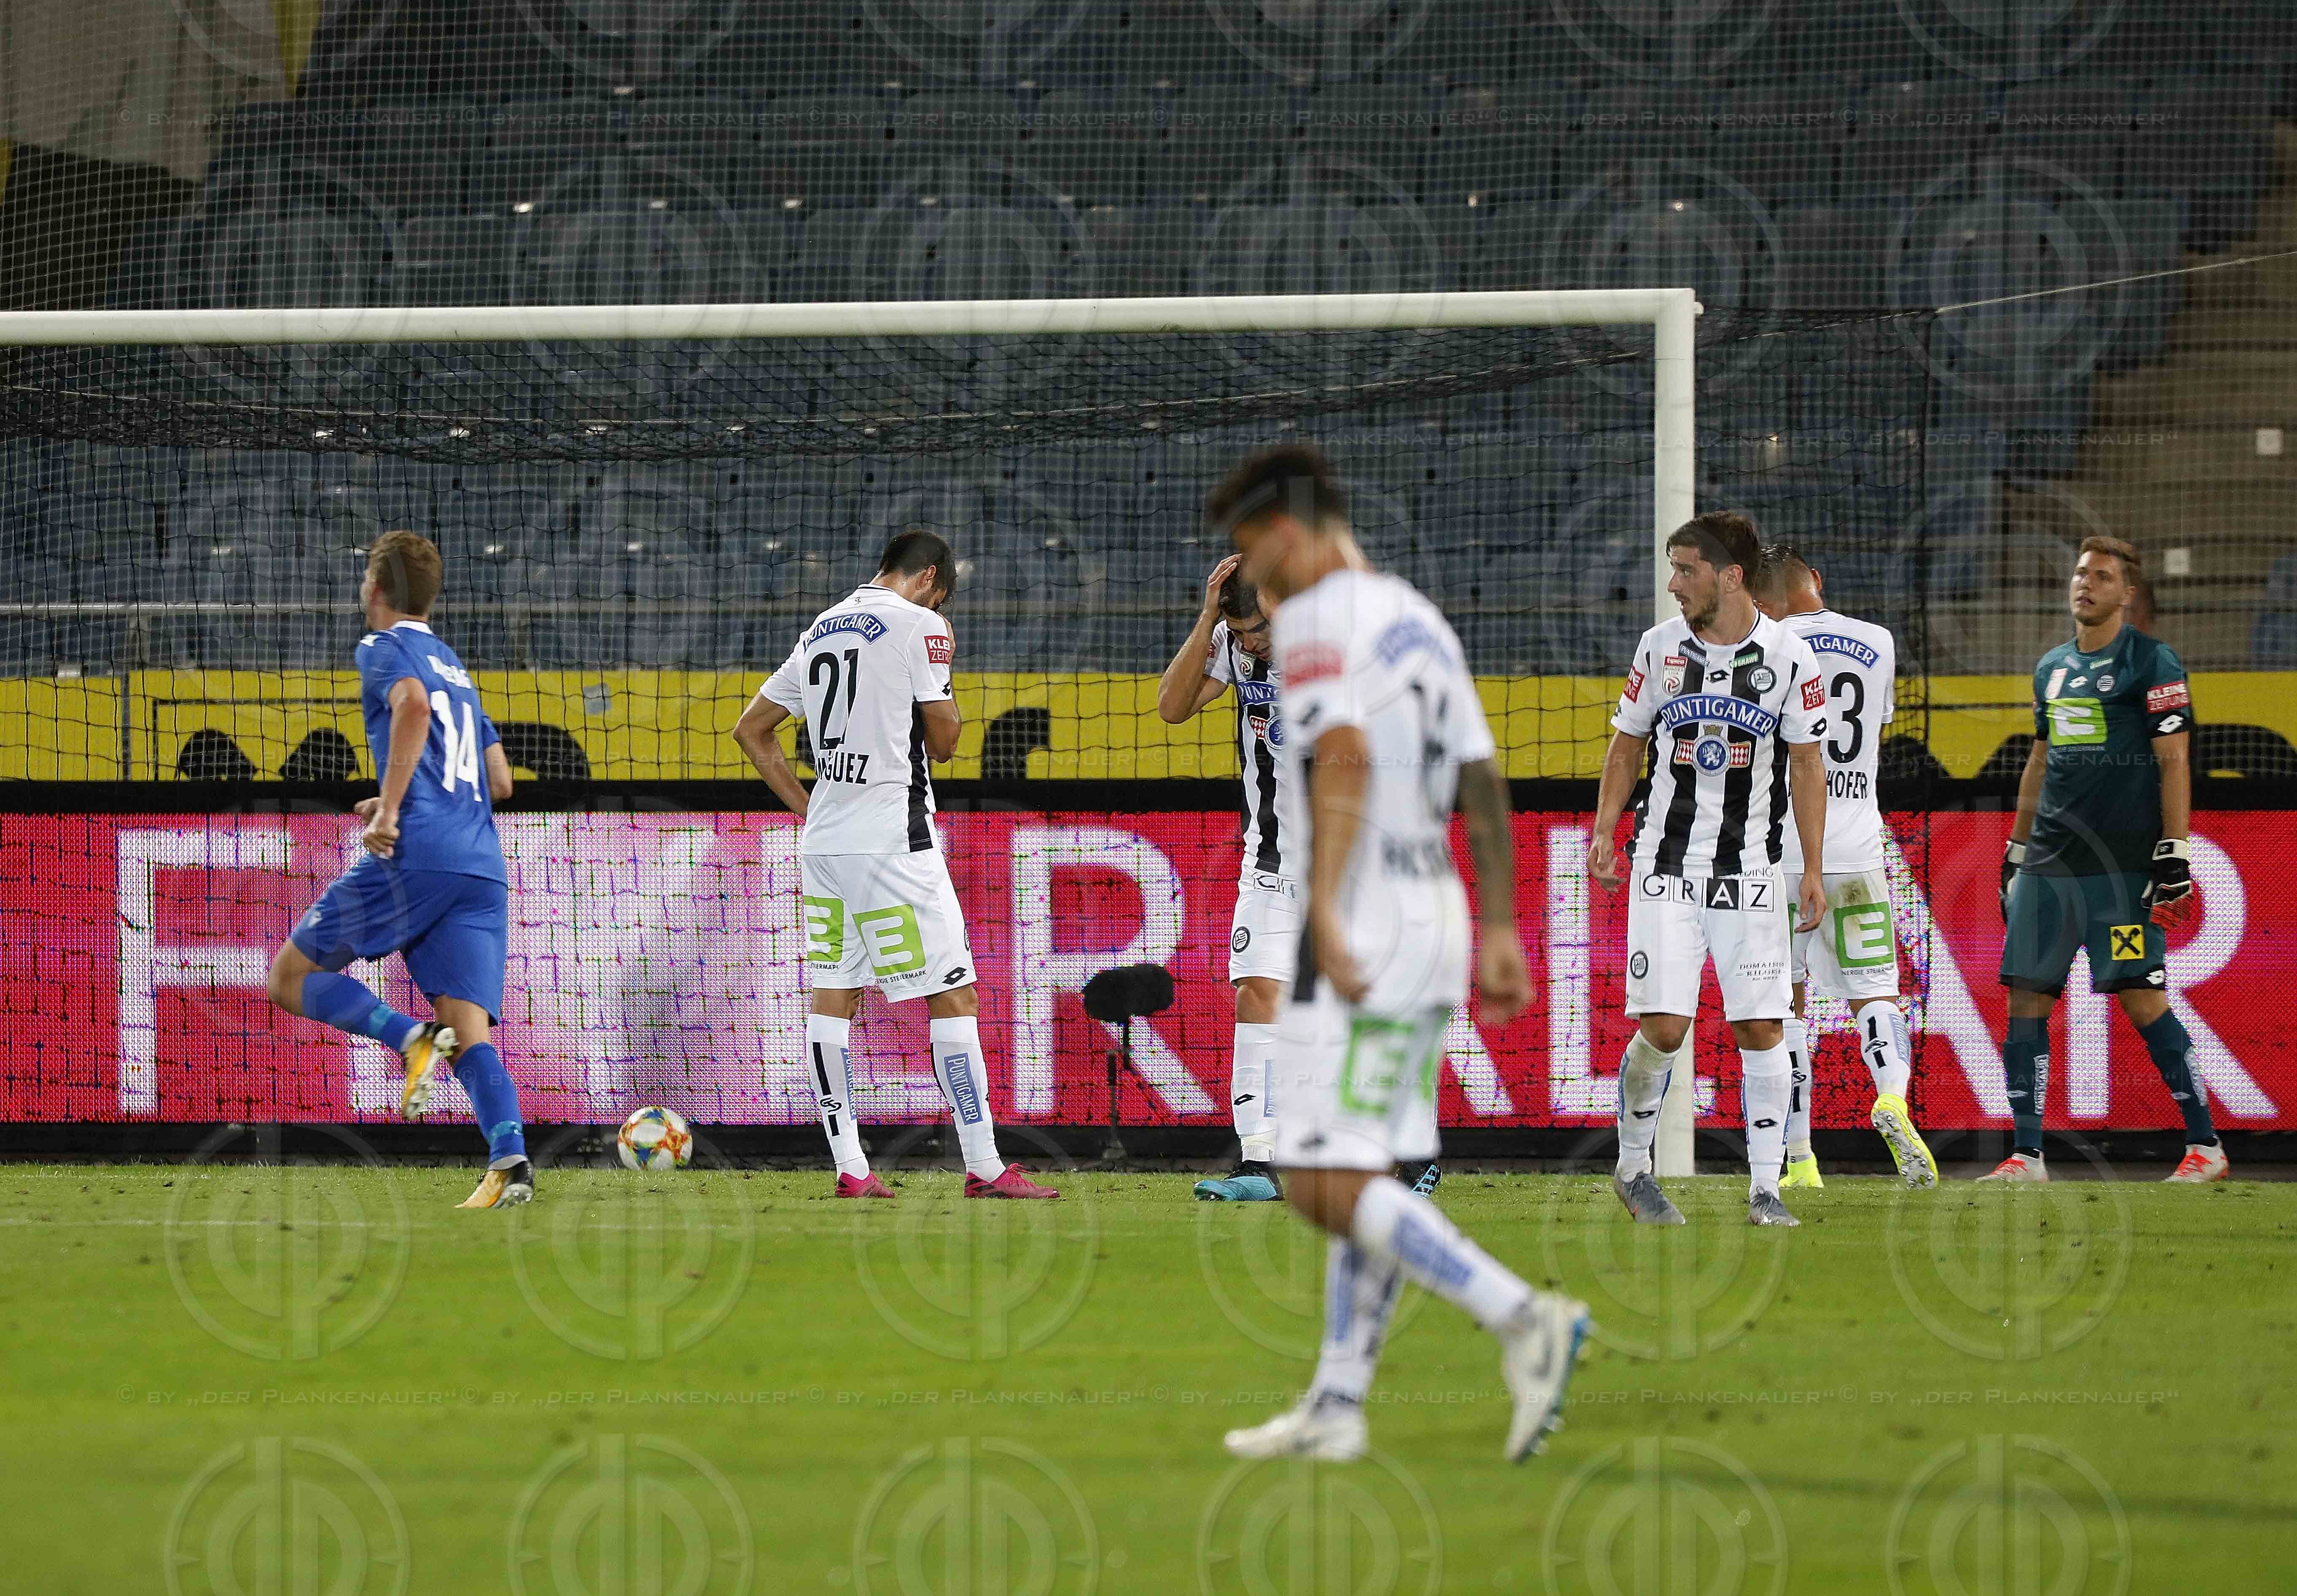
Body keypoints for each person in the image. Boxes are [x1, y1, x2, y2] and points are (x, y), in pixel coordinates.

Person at [1208, 443, 1588, 1466]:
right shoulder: (1418, 616)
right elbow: (1481, 775)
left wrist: (1326, 915)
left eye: (1253, 553)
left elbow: (1341, 755)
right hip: (1436, 911)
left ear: (1285, 532)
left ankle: (1521, 1316)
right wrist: (1499, 924)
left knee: (1312, 1177)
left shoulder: (1314, 621)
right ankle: (1338, 1401)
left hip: (1362, 917)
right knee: (1365, 1168)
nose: (1255, 580)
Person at [732, 530, 1057, 1200]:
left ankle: (851, 1167)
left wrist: (809, 808)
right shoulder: (921, 625)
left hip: (826, 844)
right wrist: (943, 670)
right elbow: (945, 743)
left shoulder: (820, 628)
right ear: (930, 577)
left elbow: (750, 730)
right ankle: (985, 1165)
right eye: (942, 596)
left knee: (833, 996)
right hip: (893, 839)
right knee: (954, 994)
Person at [265, 530, 532, 1209]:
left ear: (378, 589)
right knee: (468, 1034)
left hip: (419, 855)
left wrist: (390, 807)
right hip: (481, 867)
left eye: (365, 577)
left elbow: (412, 706)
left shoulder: (383, 647)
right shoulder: (457, 668)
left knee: (289, 977)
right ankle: (510, 1164)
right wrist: (394, 792)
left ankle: (409, 1039)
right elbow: (500, 780)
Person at [1587, 511, 1829, 1228]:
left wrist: (1812, 869)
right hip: (1666, 865)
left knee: (1764, 1026)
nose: (1674, 584)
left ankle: (1766, 1191)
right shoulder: (1659, 647)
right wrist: (1604, 830)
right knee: (1665, 1028)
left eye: (1686, 569)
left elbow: (1807, 765)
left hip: (1749, 870)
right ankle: (1634, 1169)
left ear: (1730, 576)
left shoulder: (1790, 657)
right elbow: (1627, 745)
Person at [1988, 536, 2226, 1183]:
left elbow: (2174, 760)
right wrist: (2016, 849)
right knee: (2026, 999)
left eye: (2101, 576)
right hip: (2048, 865)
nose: (2086, 583)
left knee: (2142, 999)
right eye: (2080, 573)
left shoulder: (2153, 661)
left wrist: (2174, 853)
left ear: (2126, 593)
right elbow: (2040, 760)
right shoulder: (2050, 668)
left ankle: (2205, 1145)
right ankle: (2027, 1155)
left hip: (2121, 868)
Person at [1748, 546, 1935, 1189]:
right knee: (1876, 991)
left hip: (1781, 851)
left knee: (1785, 1004)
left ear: (1761, 603)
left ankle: (1801, 1160)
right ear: (1818, 581)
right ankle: (1893, 1097)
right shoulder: (1878, 642)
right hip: (1857, 849)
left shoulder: (1765, 648)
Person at [1154, 554, 1295, 1201]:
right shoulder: (1232, 642)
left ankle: (1400, 1154)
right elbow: (1171, 706)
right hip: (1270, 859)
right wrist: (1210, 617)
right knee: (1256, 992)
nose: (1249, 644)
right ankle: (1259, 1163)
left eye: (1255, 631)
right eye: (1237, 633)